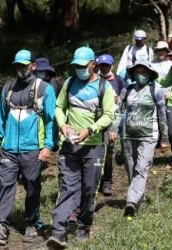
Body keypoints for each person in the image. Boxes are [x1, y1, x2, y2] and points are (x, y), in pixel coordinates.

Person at [0, 49, 57, 245]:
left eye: (24, 65)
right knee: (5, 186)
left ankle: (31, 223)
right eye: (17, 66)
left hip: (33, 149)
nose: (21, 69)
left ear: (33, 66)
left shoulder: (45, 88)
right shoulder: (8, 88)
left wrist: (48, 146)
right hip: (9, 149)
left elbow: (51, 120)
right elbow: (1, 118)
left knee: (32, 187)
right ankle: (0, 226)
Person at [46, 47, 114, 248]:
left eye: (83, 66)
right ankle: (58, 232)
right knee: (67, 187)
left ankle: (84, 225)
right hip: (70, 146)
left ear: (93, 64)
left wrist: (90, 130)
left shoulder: (104, 88)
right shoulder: (69, 83)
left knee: (88, 189)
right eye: (76, 66)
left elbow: (109, 115)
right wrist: (63, 125)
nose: (79, 69)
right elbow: (59, 107)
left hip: (93, 148)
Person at [114, 59, 169, 217]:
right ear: (132, 74)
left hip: (149, 135)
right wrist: (113, 129)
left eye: (144, 72)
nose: (140, 75)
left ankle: (131, 201)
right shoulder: (127, 90)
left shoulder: (156, 91)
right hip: (128, 134)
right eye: (137, 72)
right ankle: (139, 198)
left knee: (142, 167)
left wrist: (164, 139)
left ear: (150, 74)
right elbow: (119, 111)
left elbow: (162, 115)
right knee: (131, 169)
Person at [97, 53, 126, 196]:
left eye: (106, 65)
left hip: (112, 120)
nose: (104, 68)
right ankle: (95, 179)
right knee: (96, 151)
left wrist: (119, 98)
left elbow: (126, 98)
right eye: (101, 65)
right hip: (96, 120)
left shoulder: (119, 81)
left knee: (109, 151)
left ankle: (107, 180)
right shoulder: (94, 80)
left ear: (112, 66)